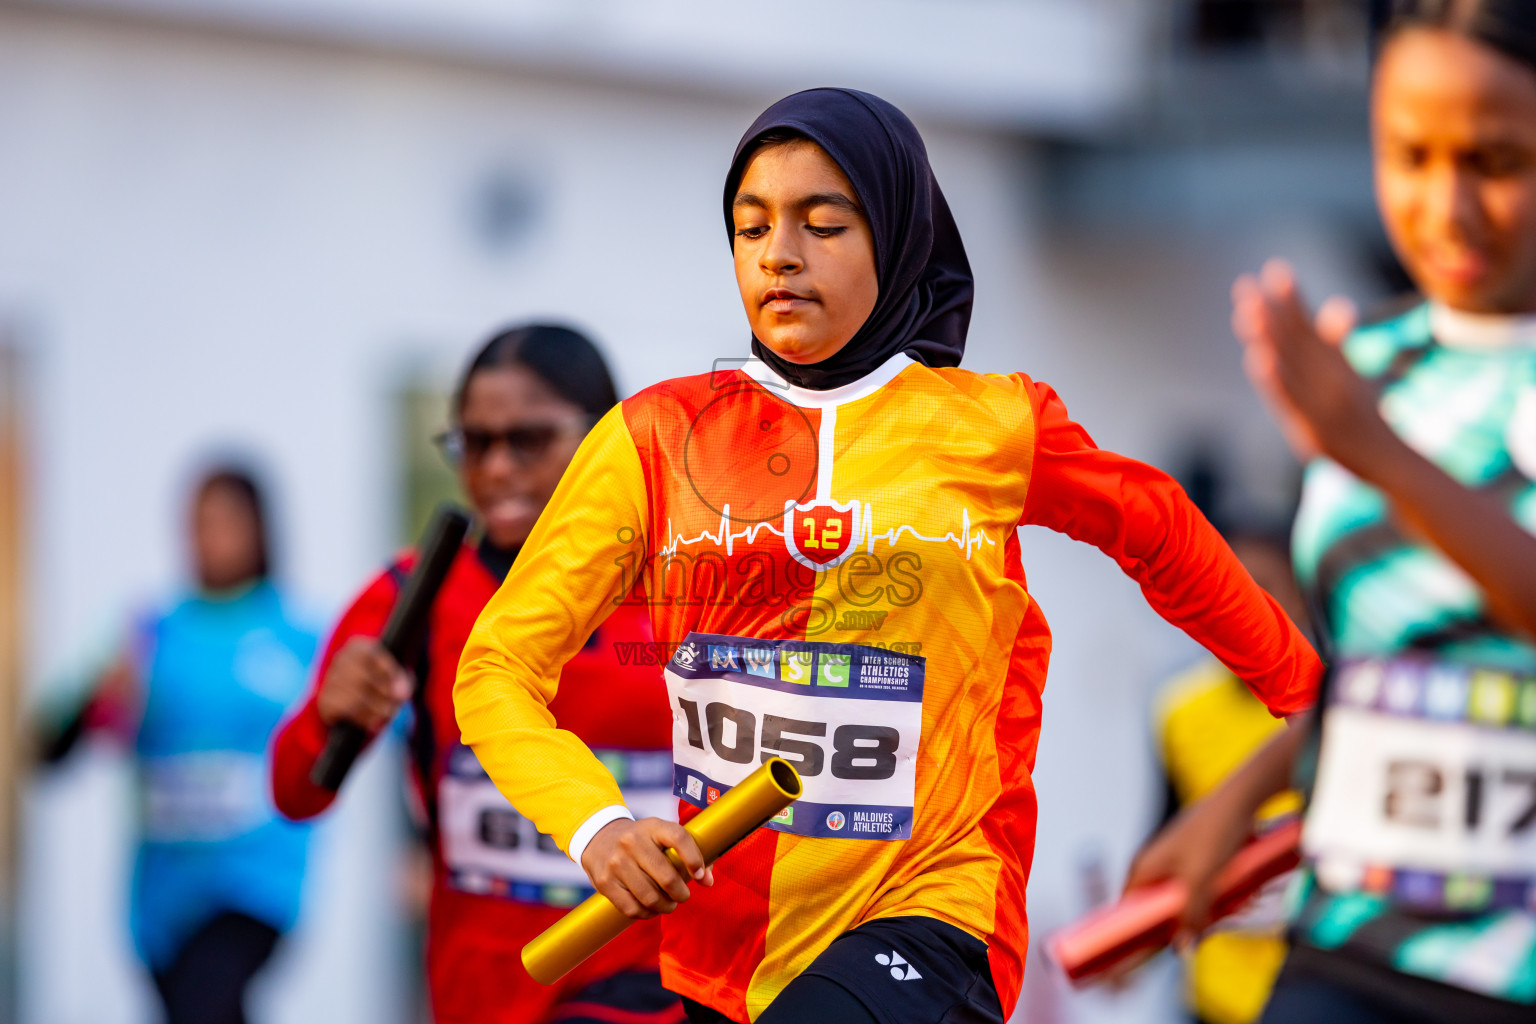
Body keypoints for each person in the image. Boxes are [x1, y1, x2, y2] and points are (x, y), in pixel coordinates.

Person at [453, 88, 1322, 1024]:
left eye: (822, 224)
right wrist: (599, 825)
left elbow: (1160, 531)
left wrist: (1318, 705)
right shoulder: (655, 436)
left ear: (899, 233)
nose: (779, 254)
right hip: (726, 952)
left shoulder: (995, 423)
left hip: (936, 911)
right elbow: (497, 667)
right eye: (751, 229)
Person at [1125, 3, 1536, 1021]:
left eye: (1497, 160)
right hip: (1349, 941)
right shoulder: (1368, 367)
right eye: (1411, 153)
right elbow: (1377, 663)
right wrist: (1240, 796)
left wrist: (1380, 454)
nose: (1448, 204)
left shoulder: (1357, 415)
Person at [269, 325, 682, 1024]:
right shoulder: (413, 597)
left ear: (605, 441)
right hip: (481, 994)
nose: (494, 469)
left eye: (528, 440)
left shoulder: (684, 583)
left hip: (651, 987)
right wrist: (326, 716)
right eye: (474, 442)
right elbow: (295, 793)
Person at [37, 466, 319, 1024]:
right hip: (162, 897)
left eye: (225, 521)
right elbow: (49, 748)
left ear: (259, 529)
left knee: (208, 1001)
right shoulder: (147, 633)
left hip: (257, 882)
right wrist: (101, 699)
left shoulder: (302, 637)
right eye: (198, 522)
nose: (209, 537)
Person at [1152, 525, 1308, 1024]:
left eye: (1267, 592)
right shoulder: (1182, 711)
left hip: (1310, 987)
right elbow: (1168, 835)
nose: (1247, 612)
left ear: (1302, 599)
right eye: (1232, 591)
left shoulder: (1333, 706)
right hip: (1211, 998)